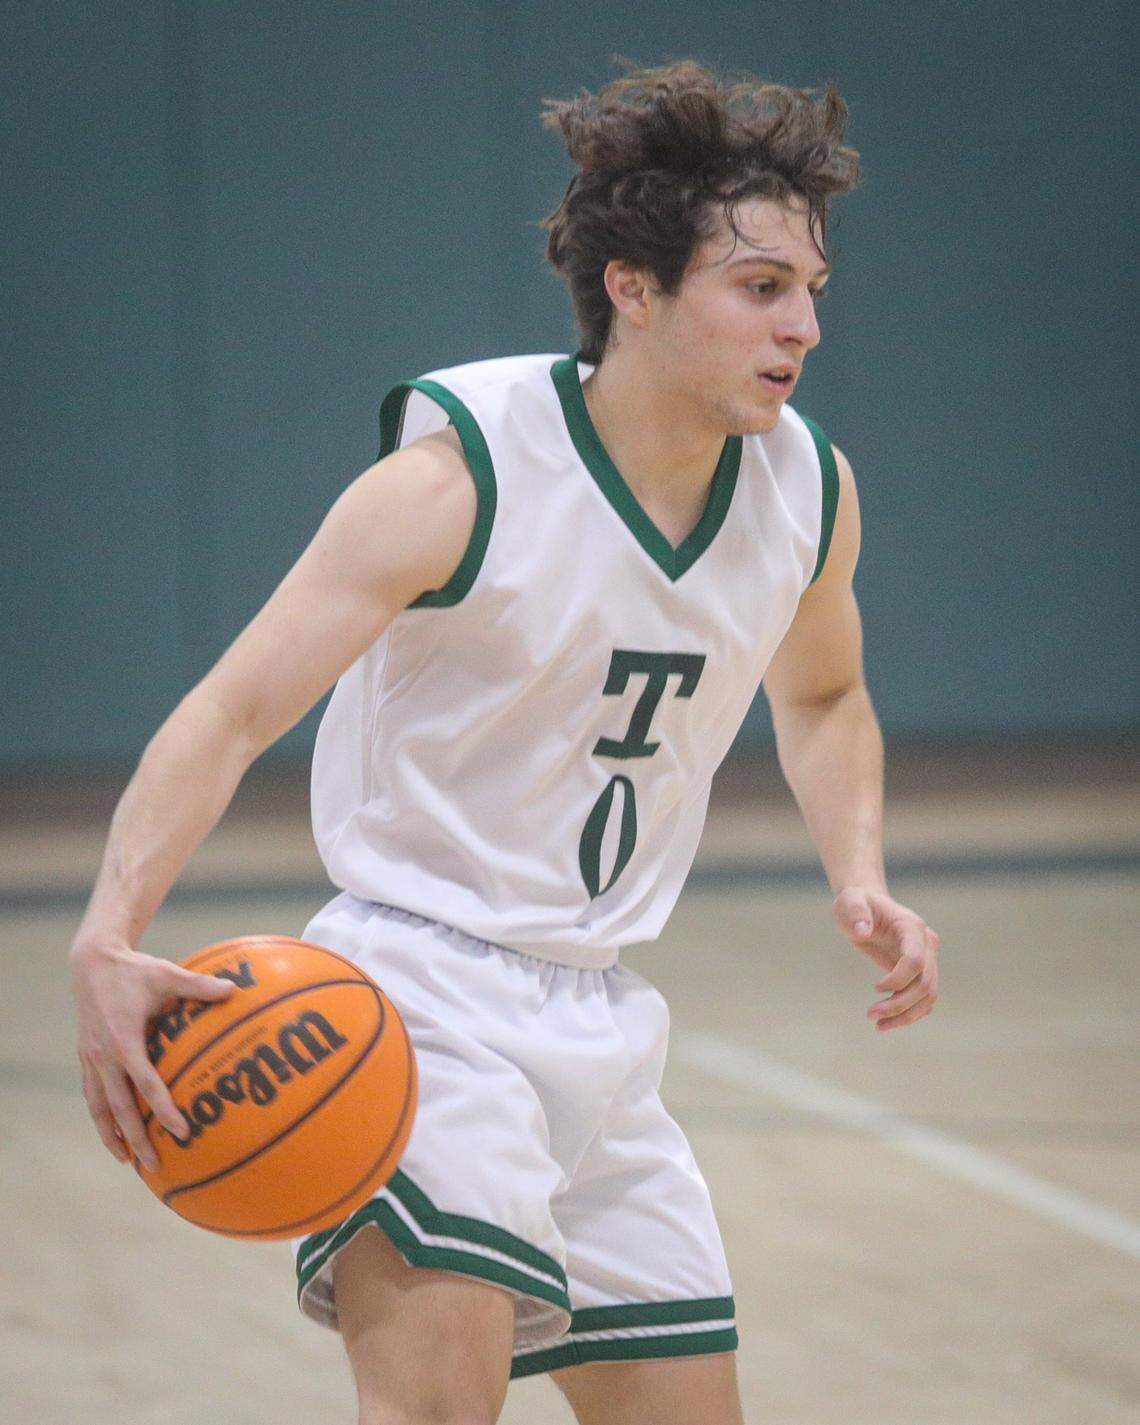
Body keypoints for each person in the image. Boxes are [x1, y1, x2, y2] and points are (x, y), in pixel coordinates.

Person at [70, 59, 940, 1425]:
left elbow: (824, 695)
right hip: (416, 997)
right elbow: (234, 708)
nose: (806, 327)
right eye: (764, 287)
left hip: (602, 1018)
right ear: (634, 288)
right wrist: (107, 928)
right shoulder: (456, 479)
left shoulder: (806, 494)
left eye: (814, 291)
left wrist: (861, 869)